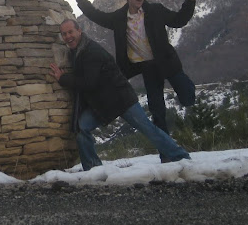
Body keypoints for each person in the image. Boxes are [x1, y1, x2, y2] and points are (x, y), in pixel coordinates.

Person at [49, 19, 190, 170]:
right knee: (81, 127)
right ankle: (93, 168)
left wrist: (63, 78)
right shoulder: (76, 52)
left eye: (70, 32)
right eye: (64, 34)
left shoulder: (91, 51)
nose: (68, 36)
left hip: (122, 99)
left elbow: (89, 82)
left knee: (148, 129)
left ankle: (180, 156)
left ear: (79, 31)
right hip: (102, 104)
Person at [65, 0, 197, 136]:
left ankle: (189, 89)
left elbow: (178, 21)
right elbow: (97, 15)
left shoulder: (156, 10)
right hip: (148, 67)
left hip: (167, 62)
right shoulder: (119, 18)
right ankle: (167, 152)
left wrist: (190, 1)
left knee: (188, 98)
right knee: (157, 109)